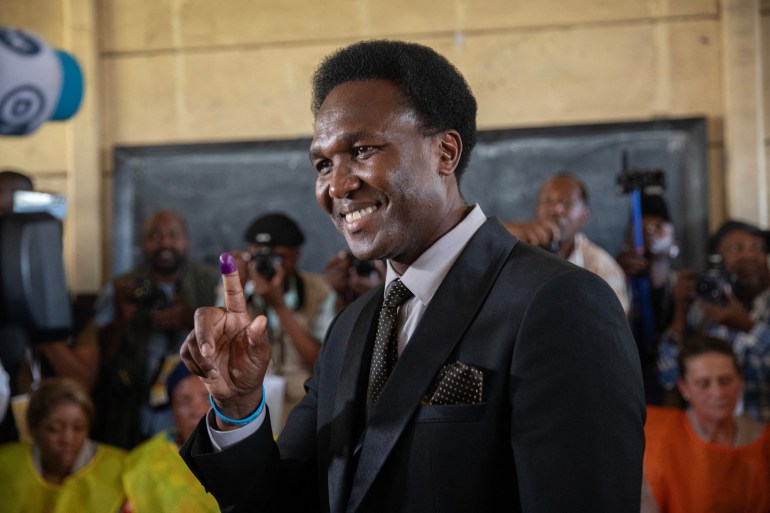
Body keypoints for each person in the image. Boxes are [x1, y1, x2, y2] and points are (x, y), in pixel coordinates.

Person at [179, 40, 645, 512]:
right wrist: (238, 405)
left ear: (445, 152)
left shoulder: (560, 302)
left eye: (362, 150)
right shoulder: (351, 327)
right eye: (322, 164)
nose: (337, 186)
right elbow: (280, 504)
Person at [90, 210, 221, 449]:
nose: (166, 243)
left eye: (174, 235)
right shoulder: (123, 286)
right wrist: (121, 319)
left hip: (196, 399)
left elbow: (232, 344)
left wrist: (190, 320)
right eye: (156, 236)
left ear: (187, 241)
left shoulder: (211, 282)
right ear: (143, 243)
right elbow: (100, 358)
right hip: (136, 400)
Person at [224, 212, 336, 432]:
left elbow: (322, 362)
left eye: (278, 258)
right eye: (260, 257)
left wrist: (279, 306)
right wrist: (238, 295)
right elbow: (223, 353)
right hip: (251, 405)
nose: (268, 266)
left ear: (296, 256)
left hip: (304, 406)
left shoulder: (321, 290)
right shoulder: (232, 290)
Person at [642, 335, 770, 513]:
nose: (717, 393)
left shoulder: (763, 440)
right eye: (703, 384)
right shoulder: (657, 440)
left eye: (725, 381)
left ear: (740, 380)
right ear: (684, 387)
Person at [658, 219, 770, 422]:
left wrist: (747, 326)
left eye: (757, 248)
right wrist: (680, 312)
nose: (749, 255)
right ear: (717, 260)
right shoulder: (704, 309)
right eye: (736, 248)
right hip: (712, 439)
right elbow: (668, 375)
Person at [504, 172, 630, 314]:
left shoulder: (601, 268)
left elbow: (613, 330)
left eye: (566, 202)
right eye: (547, 201)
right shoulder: (518, 257)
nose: (555, 210)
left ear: (584, 216)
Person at [0, 377, 127, 512]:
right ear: (33, 430)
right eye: (54, 429)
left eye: (78, 428)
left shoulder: (120, 471)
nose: (67, 439)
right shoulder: (6, 465)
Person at [122, 360, 219, 513]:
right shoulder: (147, 461)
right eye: (185, 402)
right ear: (173, 411)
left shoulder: (250, 448)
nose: (198, 410)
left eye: (207, 398)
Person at [616, 193, 679, 405]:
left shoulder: (684, 288)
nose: (650, 232)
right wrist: (616, 278)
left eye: (659, 226)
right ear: (628, 238)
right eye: (642, 228)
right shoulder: (612, 279)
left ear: (674, 239)